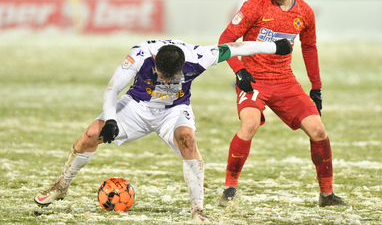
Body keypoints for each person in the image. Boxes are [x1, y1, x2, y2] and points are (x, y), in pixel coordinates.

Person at [33, 38, 292, 222]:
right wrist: (111, 120)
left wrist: (276, 47)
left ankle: (197, 210)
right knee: (91, 134)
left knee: (188, 140)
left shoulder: (199, 56)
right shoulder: (140, 55)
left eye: (172, 77)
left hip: (174, 110)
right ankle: (60, 186)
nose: (166, 81)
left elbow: (237, 48)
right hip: (136, 106)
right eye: (161, 75)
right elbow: (112, 89)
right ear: (155, 61)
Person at [218, 0, 349, 208]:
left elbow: (309, 48)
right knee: (250, 124)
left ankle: (327, 195)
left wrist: (316, 87)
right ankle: (230, 188)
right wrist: (239, 71)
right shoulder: (255, 4)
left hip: (285, 81)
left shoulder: (304, 12)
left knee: (318, 130)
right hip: (253, 79)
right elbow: (226, 39)